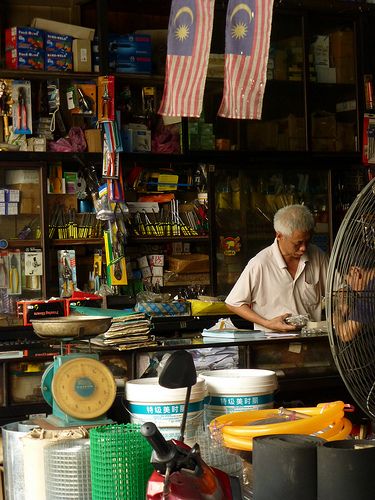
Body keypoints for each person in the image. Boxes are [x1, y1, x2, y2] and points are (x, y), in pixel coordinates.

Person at [225, 204, 329, 332]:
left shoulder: (318, 256)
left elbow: (339, 290)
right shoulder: (260, 263)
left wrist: (340, 309)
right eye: (298, 243)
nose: (304, 248)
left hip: (310, 342)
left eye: (307, 241)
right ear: (279, 236)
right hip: (271, 344)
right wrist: (267, 323)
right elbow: (234, 303)